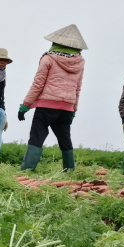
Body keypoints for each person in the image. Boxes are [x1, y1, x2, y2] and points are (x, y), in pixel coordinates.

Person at [18, 24, 87, 171]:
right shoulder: (80, 62)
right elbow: (78, 88)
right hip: (67, 108)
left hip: (46, 106)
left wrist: (26, 105)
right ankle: (70, 171)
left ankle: (27, 170)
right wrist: (74, 109)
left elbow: (38, 84)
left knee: (37, 136)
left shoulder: (48, 59)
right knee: (65, 139)